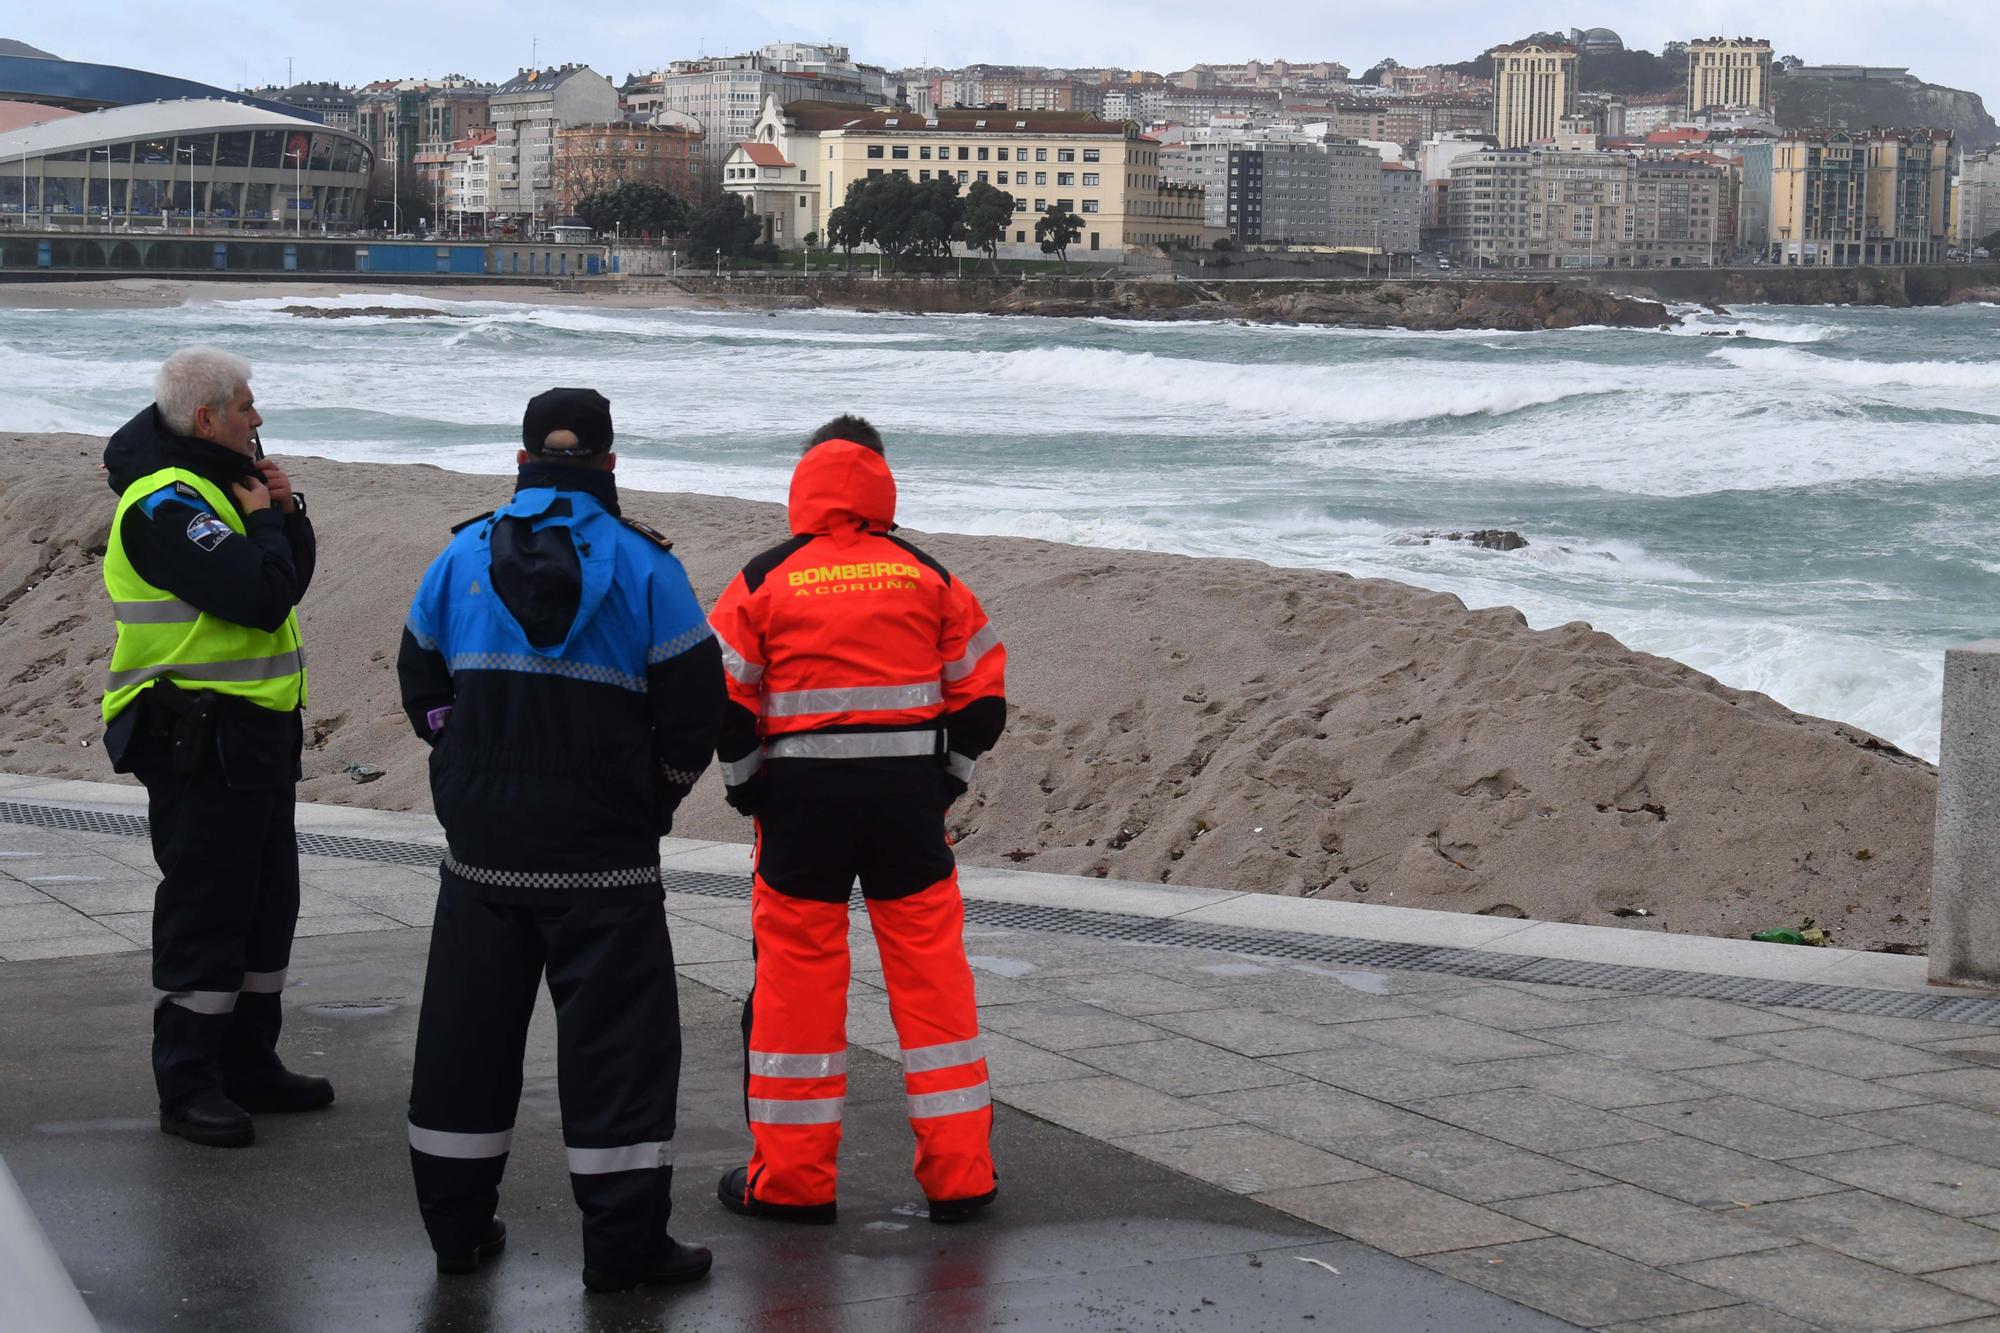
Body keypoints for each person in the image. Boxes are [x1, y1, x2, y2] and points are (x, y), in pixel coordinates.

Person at [396, 388, 723, 1292]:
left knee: (465, 1041)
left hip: (483, 852)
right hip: (605, 859)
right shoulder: (649, 570)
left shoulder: (459, 557)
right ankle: (622, 1250)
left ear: (521, 460)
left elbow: (418, 672)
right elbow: (699, 709)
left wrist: (459, 753)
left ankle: (455, 1231)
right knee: (618, 1053)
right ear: (611, 464)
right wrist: (654, 792)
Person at [709, 414, 1007, 1227]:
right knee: (933, 982)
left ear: (804, 482)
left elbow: (724, 702)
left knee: (796, 990)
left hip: (800, 811)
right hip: (907, 808)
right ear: (880, 478)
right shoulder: (927, 573)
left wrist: (747, 789)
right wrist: (945, 780)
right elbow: (982, 699)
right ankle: (961, 1178)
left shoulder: (765, 577)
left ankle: (794, 1183)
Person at [100, 346, 329, 1150]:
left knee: (269, 905)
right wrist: (267, 522)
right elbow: (260, 597)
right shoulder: (165, 501)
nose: (257, 418)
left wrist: (284, 515)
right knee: (207, 910)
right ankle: (189, 1083)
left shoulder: (219, 485)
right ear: (206, 418)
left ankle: (249, 1063)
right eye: (245, 405)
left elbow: (285, 579)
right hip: (195, 734)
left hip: (257, 731)